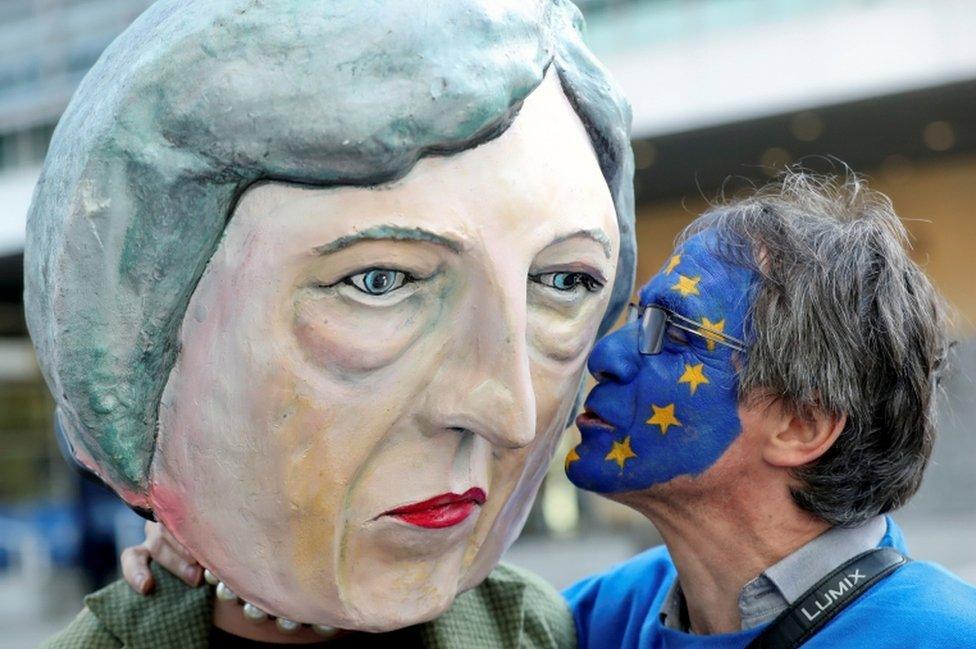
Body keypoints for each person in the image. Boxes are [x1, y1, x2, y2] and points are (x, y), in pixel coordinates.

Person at [26, 1, 635, 646]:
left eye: (565, 281)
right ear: (139, 347)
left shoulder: (557, 631)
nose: (510, 414)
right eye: (380, 281)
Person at [563, 171, 976, 647]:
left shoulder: (943, 636)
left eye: (675, 333)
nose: (605, 356)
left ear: (803, 424)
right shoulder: (611, 611)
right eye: (642, 318)